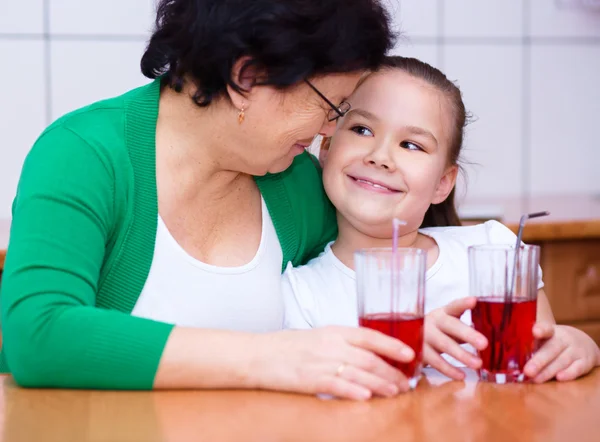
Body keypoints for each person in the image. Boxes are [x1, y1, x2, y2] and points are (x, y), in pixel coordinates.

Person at [0, 0, 417, 400]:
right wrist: (267, 359)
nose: (329, 129)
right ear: (247, 78)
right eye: (330, 105)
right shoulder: (84, 154)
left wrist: (406, 335)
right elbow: (39, 334)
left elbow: (344, 284)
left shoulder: (296, 182)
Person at [283, 56, 600, 384]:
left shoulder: (495, 251)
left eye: (411, 144)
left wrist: (580, 346)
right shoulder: (300, 295)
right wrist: (406, 350)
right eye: (362, 129)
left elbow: (542, 370)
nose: (380, 156)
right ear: (327, 147)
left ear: (442, 184)